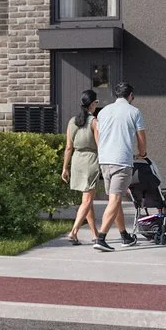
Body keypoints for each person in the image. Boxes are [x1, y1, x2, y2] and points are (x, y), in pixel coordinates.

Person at [91, 84, 149, 252]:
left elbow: (99, 135)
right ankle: (101, 238)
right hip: (121, 161)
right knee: (115, 200)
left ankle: (125, 236)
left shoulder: (102, 112)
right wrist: (142, 153)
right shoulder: (134, 112)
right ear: (130, 95)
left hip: (105, 160)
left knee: (114, 200)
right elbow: (141, 137)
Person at [61, 90, 103, 244]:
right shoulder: (94, 122)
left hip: (77, 161)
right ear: (92, 104)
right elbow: (100, 145)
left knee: (87, 200)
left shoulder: (72, 121)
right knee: (87, 200)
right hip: (90, 160)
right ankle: (73, 231)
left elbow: (68, 147)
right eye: (96, 103)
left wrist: (65, 168)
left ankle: (95, 234)